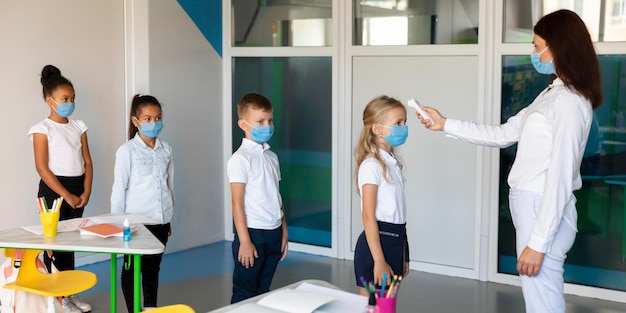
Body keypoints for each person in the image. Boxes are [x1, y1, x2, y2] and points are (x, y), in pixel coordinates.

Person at [416, 9, 602, 313]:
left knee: (543, 301)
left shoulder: (568, 102)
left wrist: (538, 243)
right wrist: (445, 123)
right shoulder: (552, 94)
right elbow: (504, 134)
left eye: (536, 45)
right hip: (534, 207)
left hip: (541, 209)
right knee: (540, 296)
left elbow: (560, 175)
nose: (533, 52)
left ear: (557, 48)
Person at [28, 64, 93, 313]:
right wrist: (66, 195)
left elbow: (87, 162)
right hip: (54, 192)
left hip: (78, 190)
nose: (70, 102)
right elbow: (42, 168)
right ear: (50, 100)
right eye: (65, 98)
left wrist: (86, 193)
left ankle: (70, 292)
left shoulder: (79, 126)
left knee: (69, 243)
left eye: (73, 98)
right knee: (54, 244)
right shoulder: (42, 129)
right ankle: (58, 297)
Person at [111, 94, 174, 312]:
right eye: (147, 118)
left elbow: (168, 185)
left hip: (161, 221)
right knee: (130, 270)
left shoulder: (166, 149)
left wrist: (167, 217)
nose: (153, 123)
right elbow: (119, 189)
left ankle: (150, 308)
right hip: (136, 223)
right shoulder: (127, 151)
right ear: (135, 121)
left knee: (152, 268)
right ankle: (133, 310)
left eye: (157, 118)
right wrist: (117, 224)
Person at [227, 93, 288, 303]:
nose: (267, 126)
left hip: (274, 233)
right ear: (243, 124)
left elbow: (276, 197)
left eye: (270, 120)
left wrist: (284, 231)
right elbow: (237, 202)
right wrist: (244, 240)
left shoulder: (272, 157)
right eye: (260, 122)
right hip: (252, 233)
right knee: (245, 293)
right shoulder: (240, 159)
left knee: (263, 292)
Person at [353, 95, 410, 296]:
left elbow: (399, 215)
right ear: (377, 129)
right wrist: (379, 260)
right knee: (374, 308)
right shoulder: (371, 166)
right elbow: (368, 216)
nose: (403, 127)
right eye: (398, 123)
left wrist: (404, 255)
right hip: (377, 248)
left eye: (404, 122)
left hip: (394, 241)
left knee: (387, 306)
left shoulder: (391, 163)